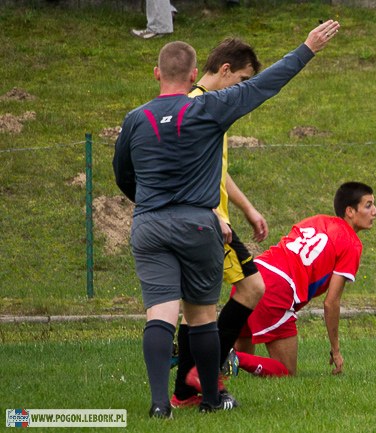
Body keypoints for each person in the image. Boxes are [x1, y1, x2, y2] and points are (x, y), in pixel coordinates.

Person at [113, 19, 341, 418]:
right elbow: (264, 85)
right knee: (203, 314)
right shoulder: (207, 107)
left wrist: (149, 203)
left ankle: (160, 405)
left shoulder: (135, 119)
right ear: (192, 76)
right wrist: (307, 48)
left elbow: (122, 174)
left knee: (161, 315)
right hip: (199, 223)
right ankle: (208, 396)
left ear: (156, 74)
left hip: (149, 225)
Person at [170, 38, 268, 409]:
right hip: (206, 221)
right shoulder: (196, 108)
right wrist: (213, 213)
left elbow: (216, 170)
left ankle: (184, 392)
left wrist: (248, 208)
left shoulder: (209, 108)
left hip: (212, 218)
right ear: (225, 70)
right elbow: (184, 171)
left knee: (194, 309)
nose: (242, 89)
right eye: (241, 80)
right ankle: (203, 370)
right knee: (251, 288)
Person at [233, 181, 376, 377]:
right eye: (368, 205)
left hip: (253, 273)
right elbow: (331, 303)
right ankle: (225, 357)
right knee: (286, 371)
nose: (375, 212)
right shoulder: (351, 244)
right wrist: (336, 349)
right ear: (350, 211)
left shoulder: (318, 219)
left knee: (240, 356)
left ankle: (217, 359)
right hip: (276, 288)